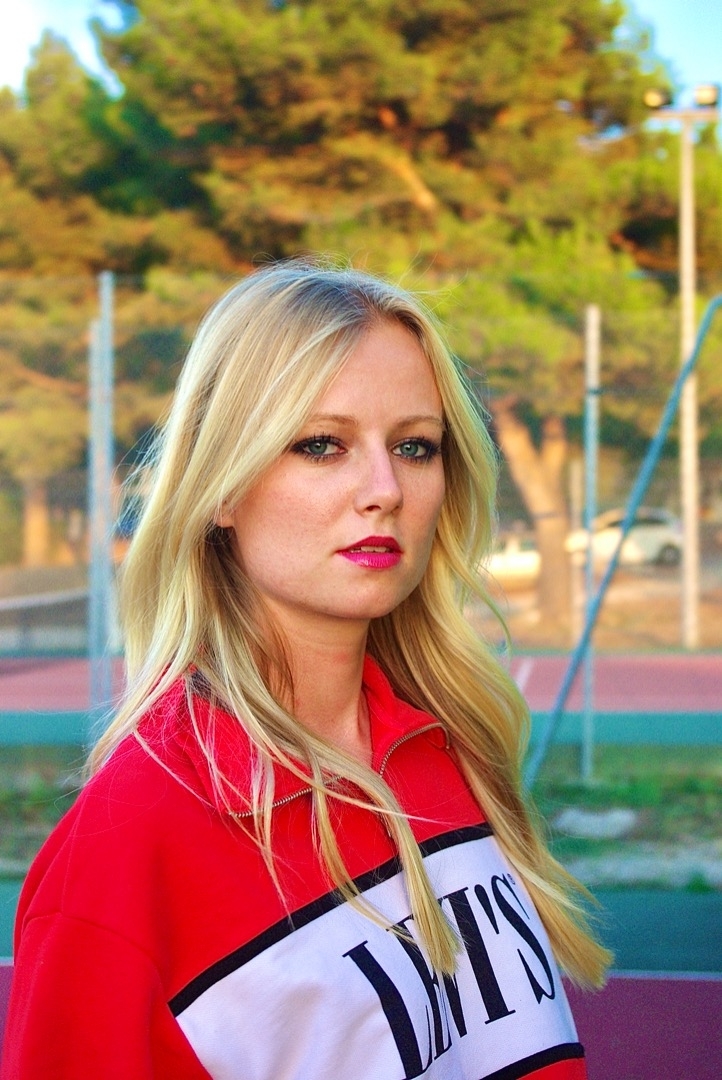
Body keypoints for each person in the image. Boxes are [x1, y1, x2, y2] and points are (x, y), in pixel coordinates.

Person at [1, 261, 610, 1079]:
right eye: (321, 445)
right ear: (221, 487)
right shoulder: (128, 850)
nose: (385, 489)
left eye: (415, 446)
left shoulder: (448, 748)